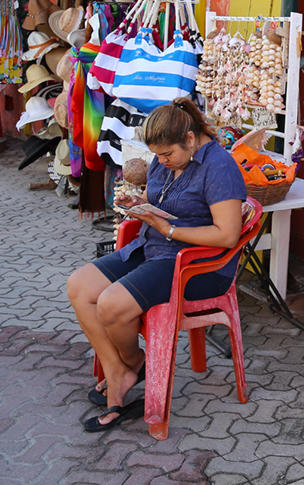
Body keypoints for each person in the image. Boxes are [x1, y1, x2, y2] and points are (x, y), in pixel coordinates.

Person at [66, 97, 246, 432]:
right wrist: (141, 203)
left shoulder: (219, 166)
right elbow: (162, 195)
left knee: (110, 305)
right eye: (158, 156)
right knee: (79, 286)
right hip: (155, 247)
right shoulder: (170, 158)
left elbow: (227, 235)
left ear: (190, 140)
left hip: (197, 266)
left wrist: (171, 229)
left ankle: (133, 364)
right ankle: (120, 369)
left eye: (167, 155)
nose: (162, 162)